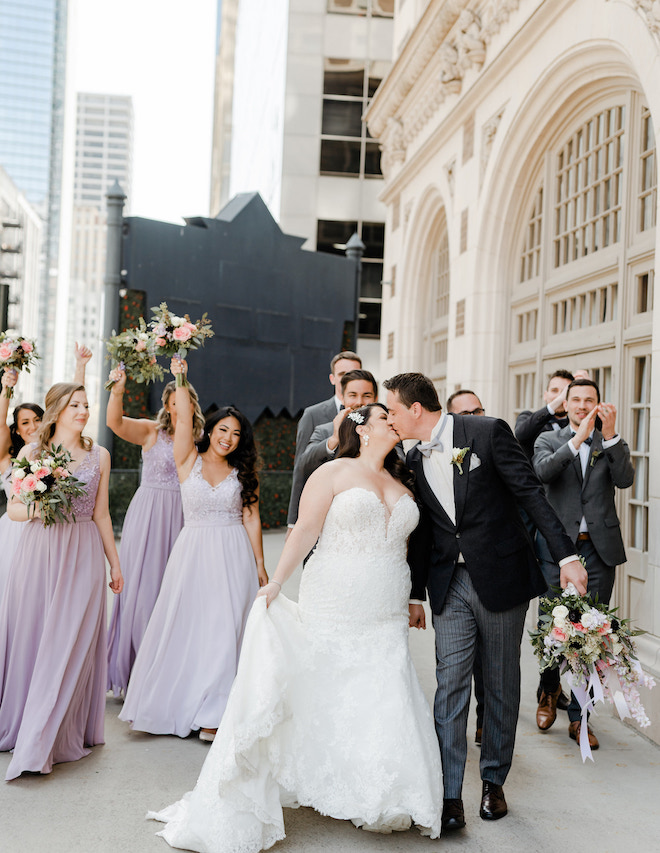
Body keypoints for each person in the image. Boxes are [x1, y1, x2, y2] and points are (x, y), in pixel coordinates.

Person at [147, 403, 443, 851]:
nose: (394, 423)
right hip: (335, 596)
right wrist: (276, 581)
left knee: (381, 690)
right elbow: (304, 531)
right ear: (362, 429)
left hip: (385, 606)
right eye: (385, 417)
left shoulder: (403, 480)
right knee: (320, 685)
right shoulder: (332, 473)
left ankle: (377, 790)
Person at [384, 372, 586, 831]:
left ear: (415, 408)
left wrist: (567, 555)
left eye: (392, 409)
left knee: (498, 684)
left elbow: (530, 494)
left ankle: (493, 782)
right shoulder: (410, 457)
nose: (389, 418)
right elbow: (424, 533)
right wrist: (416, 593)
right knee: (450, 683)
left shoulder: (486, 431)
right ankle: (450, 794)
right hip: (448, 583)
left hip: (501, 577)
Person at [119, 359, 268, 742]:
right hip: (195, 552)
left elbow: (251, 518)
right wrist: (180, 377)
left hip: (234, 553)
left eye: (236, 433)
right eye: (223, 429)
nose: (229, 438)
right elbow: (182, 419)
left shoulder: (243, 472)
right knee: (192, 628)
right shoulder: (187, 460)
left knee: (224, 629)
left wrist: (260, 565)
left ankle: (213, 714)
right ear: (211, 429)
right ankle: (183, 701)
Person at [0, 382, 123, 781]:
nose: (84, 411)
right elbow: (15, 509)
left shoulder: (100, 455)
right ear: (57, 409)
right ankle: (31, 728)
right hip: (40, 551)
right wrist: (36, 507)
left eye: (87, 405)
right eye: (76, 405)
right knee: (37, 637)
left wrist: (114, 564)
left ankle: (54, 731)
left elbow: (102, 514)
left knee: (72, 639)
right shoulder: (32, 453)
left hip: (83, 551)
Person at [532, 378, 634, 749]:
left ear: (598, 404)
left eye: (588, 400)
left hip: (599, 549)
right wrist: (576, 441)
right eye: (575, 399)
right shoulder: (550, 439)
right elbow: (542, 473)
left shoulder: (608, 442)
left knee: (590, 635)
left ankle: (580, 717)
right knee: (551, 628)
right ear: (566, 404)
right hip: (556, 550)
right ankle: (547, 691)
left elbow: (625, 480)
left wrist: (610, 436)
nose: (581, 405)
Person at [105, 366, 205, 696]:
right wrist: (118, 389)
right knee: (143, 591)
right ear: (167, 404)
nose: (179, 404)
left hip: (185, 517)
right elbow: (114, 423)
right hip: (148, 515)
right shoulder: (151, 431)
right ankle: (136, 670)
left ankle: (169, 669)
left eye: (185, 399)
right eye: (173, 399)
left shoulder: (202, 440)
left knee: (175, 591)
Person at [0, 344, 91, 600]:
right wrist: (7, 387)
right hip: (16, 528)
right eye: (25, 422)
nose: (33, 426)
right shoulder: (9, 456)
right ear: (16, 430)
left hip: (51, 529)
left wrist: (80, 367)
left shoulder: (49, 453)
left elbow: (72, 406)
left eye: (37, 419)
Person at [445, 389, 486, 747]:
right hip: (452, 577)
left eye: (479, 410)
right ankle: (450, 789)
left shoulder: (496, 442)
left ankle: (486, 725)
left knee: (493, 673)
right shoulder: (432, 455)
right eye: (466, 413)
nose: (474, 417)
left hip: (495, 572)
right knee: (454, 675)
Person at [286, 350, 361, 533]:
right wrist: (293, 521)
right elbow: (301, 467)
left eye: (353, 373)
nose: (347, 378)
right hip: (319, 511)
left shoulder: (374, 414)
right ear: (332, 378)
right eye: (342, 374)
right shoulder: (313, 414)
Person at [299, 368, 377, 478]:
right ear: (343, 398)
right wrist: (335, 438)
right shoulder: (324, 431)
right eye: (353, 395)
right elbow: (303, 467)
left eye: (367, 396)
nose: (359, 402)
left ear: (376, 398)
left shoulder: (387, 430)